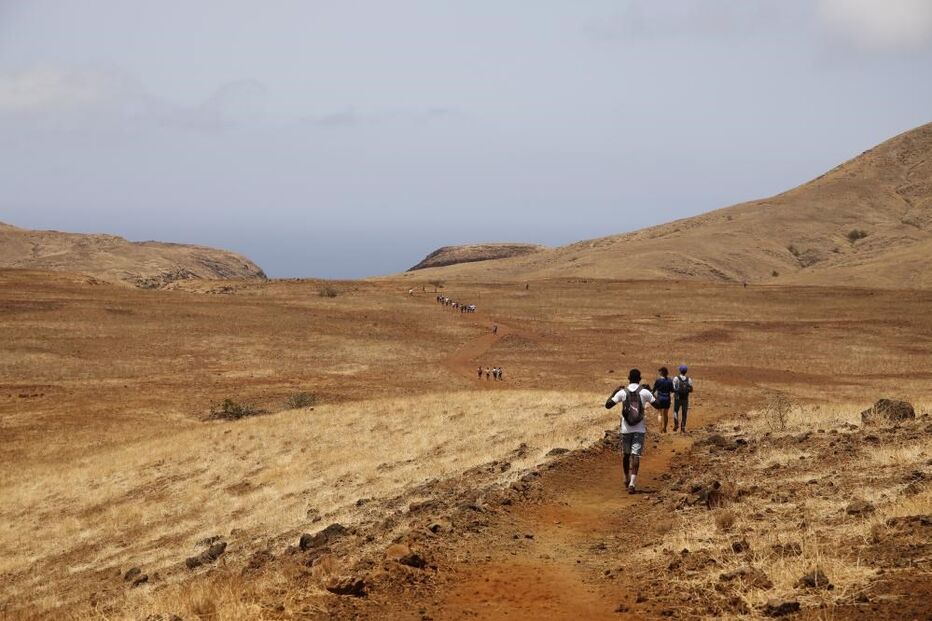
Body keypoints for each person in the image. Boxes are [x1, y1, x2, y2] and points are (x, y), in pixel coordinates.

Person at [605, 369, 655, 494]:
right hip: (639, 429)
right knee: (636, 455)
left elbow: (608, 405)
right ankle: (632, 483)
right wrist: (651, 391)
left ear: (628, 378)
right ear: (640, 378)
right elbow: (659, 405)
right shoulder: (644, 392)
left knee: (626, 455)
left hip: (625, 429)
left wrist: (614, 391)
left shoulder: (623, 392)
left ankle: (626, 477)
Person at [652, 367, 674, 433]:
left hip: (660, 399)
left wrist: (655, 397)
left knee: (660, 414)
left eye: (660, 371)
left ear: (661, 372)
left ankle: (660, 429)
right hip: (667, 399)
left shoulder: (658, 380)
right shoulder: (670, 380)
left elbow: (653, 391)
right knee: (666, 414)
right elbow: (672, 390)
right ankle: (665, 428)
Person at [672, 365, 694, 432]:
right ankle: (683, 427)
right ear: (686, 371)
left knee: (675, 411)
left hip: (677, 398)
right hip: (685, 398)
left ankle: (676, 424)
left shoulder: (676, 378)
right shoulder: (689, 379)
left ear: (680, 371)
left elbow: (673, 388)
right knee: (684, 413)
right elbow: (691, 389)